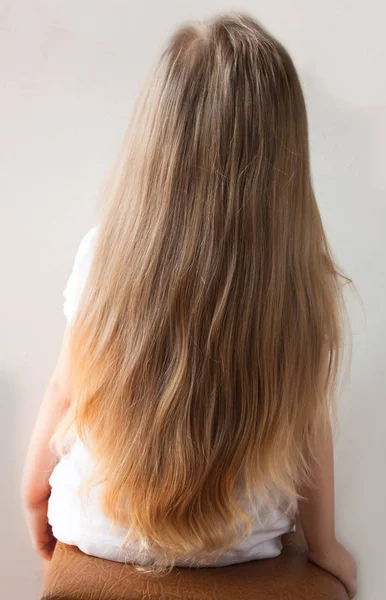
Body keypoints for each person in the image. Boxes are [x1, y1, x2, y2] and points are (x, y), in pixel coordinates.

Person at [21, 11, 357, 598]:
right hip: (242, 549)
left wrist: (33, 502)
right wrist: (324, 547)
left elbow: (62, 392)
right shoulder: (303, 280)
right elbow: (312, 430)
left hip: (101, 537)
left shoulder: (106, 258)